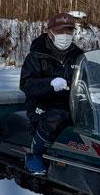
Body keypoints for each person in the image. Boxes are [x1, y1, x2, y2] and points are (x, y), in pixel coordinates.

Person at [19, 12, 84, 175]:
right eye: (61, 31)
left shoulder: (77, 55)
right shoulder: (36, 56)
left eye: (69, 31)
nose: (65, 35)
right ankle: (35, 154)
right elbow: (26, 84)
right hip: (41, 104)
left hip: (70, 102)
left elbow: (90, 71)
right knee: (57, 117)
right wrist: (49, 84)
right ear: (50, 32)